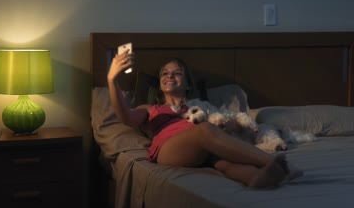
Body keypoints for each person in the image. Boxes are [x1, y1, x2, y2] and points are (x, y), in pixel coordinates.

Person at [107, 50, 302, 188]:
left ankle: (258, 178)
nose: (170, 76)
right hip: (169, 149)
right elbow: (125, 117)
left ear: (187, 83)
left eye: (177, 73)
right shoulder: (152, 109)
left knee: (224, 164)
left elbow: (226, 122)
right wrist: (112, 80)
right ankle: (277, 163)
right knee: (205, 130)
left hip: (201, 148)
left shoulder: (199, 107)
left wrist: (230, 126)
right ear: (159, 82)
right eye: (165, 73)